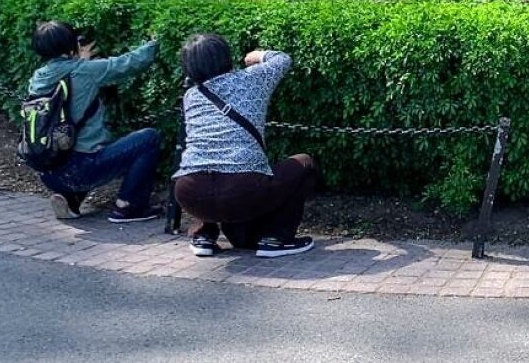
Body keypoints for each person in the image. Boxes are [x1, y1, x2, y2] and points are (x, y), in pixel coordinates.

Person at [173, 34, 319, 258]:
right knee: (304, 163)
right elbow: (282, 59)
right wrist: (258, 55)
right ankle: (276, 238)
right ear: (226, 57)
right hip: (242, 189)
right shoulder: (252, 79)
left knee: (204, 160)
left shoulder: (191, 96)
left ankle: (203, 235)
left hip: (189, 193)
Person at [26, 22, 163, 222]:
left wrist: (80, 62)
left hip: (49, 170)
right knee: (149, 138)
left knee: (80, 146)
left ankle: (69, 199)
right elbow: (130, 63)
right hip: (84, 168)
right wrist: (157, 41)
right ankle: (128, 206)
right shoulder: (86, 71)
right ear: (71, 45)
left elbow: (69, 75)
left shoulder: (38, 78)